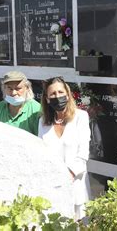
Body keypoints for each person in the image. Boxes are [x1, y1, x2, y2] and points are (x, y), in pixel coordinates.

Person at [38, 77, 91, 220]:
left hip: (76, 185)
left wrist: (67, 174)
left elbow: (83, 153)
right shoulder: (43, 122)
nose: (57, 96)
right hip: (52, 187)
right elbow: (41, 153)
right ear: (47, 99)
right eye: (53, 94)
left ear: (68, 95)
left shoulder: (80, 117)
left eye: (60, 92)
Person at [0, 71, 41, 135]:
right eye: (10, 88)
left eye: (18, 88)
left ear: (27, 88)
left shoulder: (36, 110)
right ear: (4, 89)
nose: (14, 93)